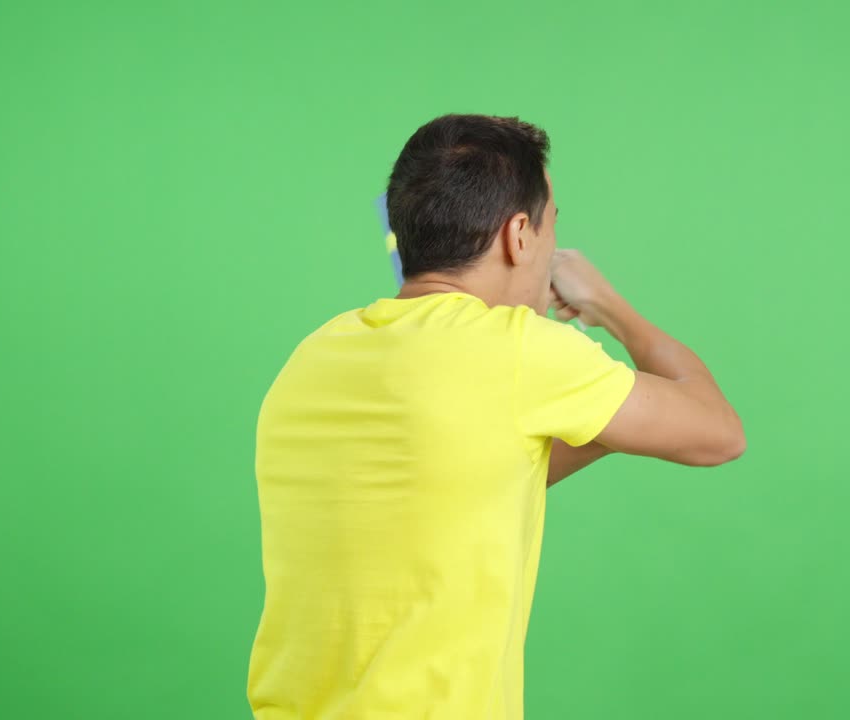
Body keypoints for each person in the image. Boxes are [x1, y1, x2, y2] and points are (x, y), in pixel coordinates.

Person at [247, 114, 745, 719]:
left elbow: (489, 475)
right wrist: (606, 305)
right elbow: (719, 431)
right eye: (551, 224)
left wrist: (598, 415)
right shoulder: (519, 352)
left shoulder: (316, 355)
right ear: (519, 236)